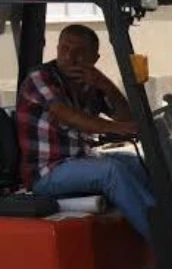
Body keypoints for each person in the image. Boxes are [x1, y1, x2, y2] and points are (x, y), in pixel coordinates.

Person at [16, 24, 154, 238]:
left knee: (144, 164)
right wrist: (119, 128)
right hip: (47, 171)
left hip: (80, 159)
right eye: (65, 48)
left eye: (80, 52)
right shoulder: (41, 78)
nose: (70, 56)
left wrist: (105, 84)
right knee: (110, 172)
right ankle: (166, 244)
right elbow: (69, 115)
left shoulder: (89, 82)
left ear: (94, 58)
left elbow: (125, 116)